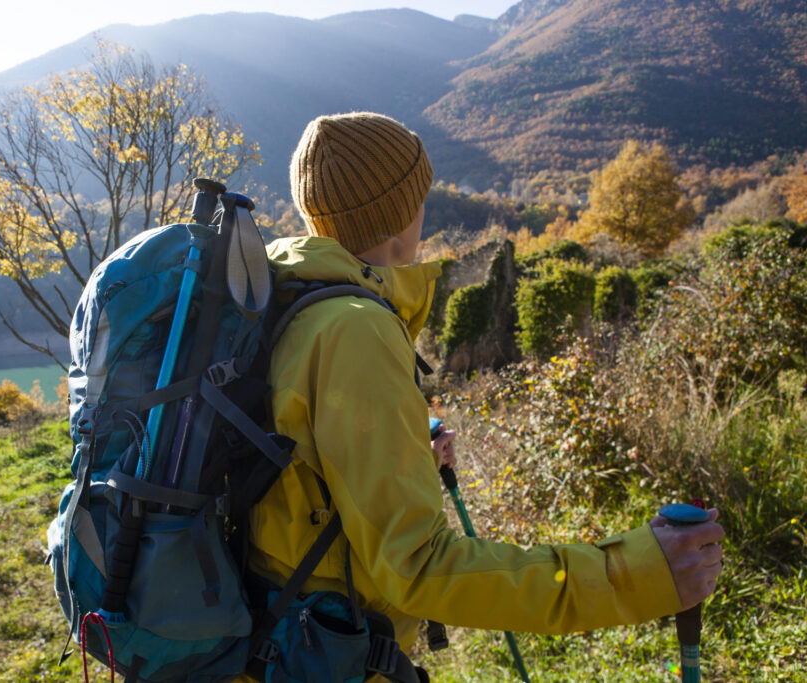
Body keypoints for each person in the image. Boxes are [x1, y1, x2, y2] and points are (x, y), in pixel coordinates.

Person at [246, 112, 724, 671]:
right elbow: (418, 567)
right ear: (400, 215)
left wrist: (407, 460)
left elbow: (296, 473)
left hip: (275, 640)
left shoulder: (284, 297)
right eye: (418, 194)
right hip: (315, 657)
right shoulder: (355, 330)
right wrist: (635, 572)